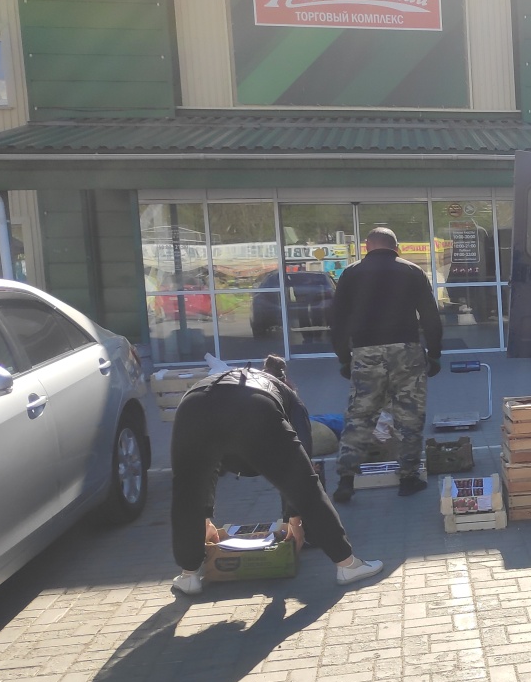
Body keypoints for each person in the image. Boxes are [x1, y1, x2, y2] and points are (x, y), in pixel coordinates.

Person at [169, 355, 381, 596]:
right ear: (288, 383)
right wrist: (295, 519)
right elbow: (302, 469)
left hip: (191, 408)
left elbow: (202, 474)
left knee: (186, 491)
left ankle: (189, 574)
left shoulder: (227, 379)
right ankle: (347, 565)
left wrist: (204, 519)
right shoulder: (288, 397)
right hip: (252, 409)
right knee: (307, 488)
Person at [329, 226, 442, 501]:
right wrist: (435, 353)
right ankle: (408, 479)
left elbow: (337, 320)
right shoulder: (412, 271)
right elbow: (430, 316)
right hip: (407, 351)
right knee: (409, 416)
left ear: (367, 245)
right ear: (396, 247)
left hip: (365, 352)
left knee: (360, 416)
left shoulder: (351, 273)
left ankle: (346, 480)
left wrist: (345, 358)